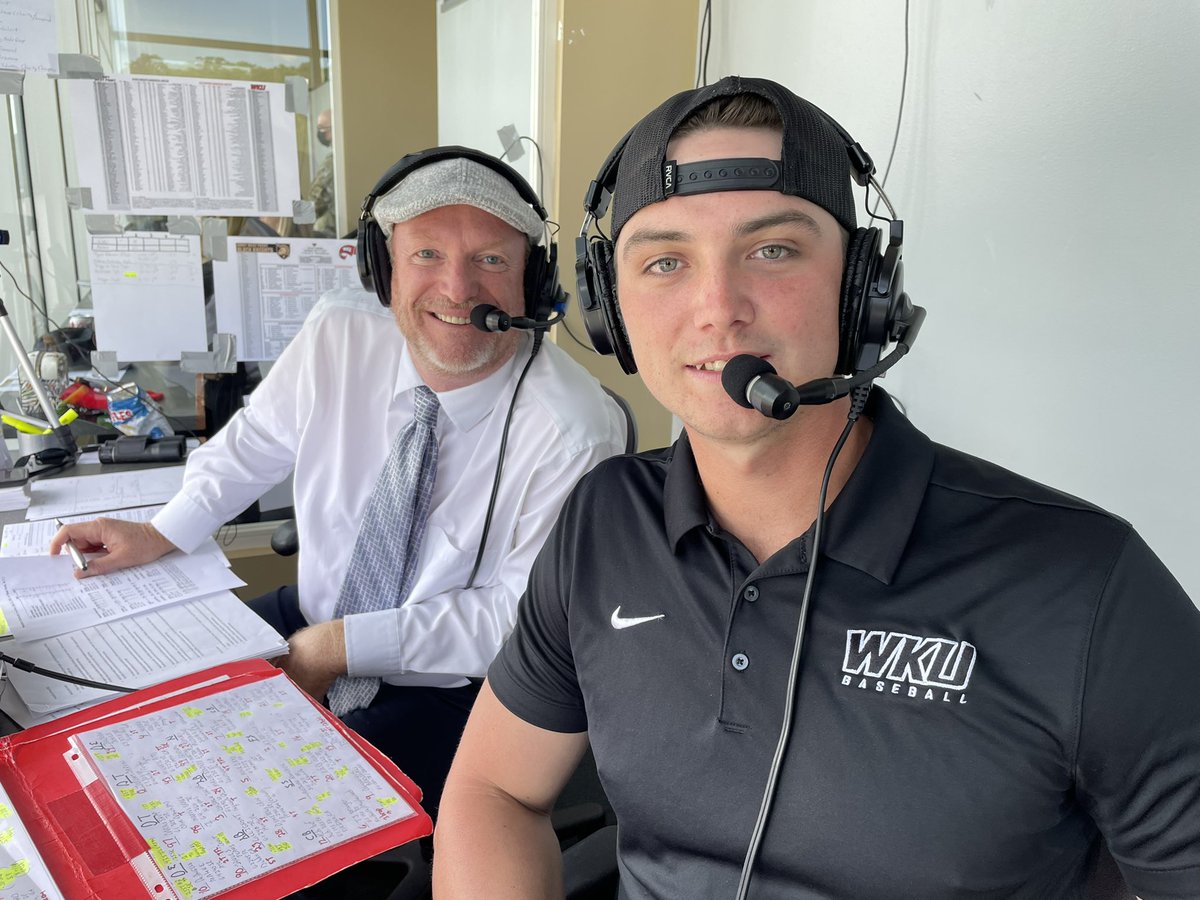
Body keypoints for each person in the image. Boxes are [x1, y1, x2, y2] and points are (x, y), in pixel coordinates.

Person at [433, 77, 1200, 898]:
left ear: (862, 291)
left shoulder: (1084, 584)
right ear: (609, 309)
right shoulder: (604, 520)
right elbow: (495, 791)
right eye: (664, 260)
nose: (717, 309)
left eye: (774, 250)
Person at [52, 148, 628, 820]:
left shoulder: (574, 430)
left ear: (532, 281)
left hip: (452, 684)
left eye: (491, 260)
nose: (456, 288)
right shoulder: (339, 332)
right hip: (315, 614)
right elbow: (258, 440)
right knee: (123, 710)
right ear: (381, 268)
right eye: (426, 255)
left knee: (255, 814)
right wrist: (162, 530)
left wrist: (341, 646)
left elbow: (518, 619)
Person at [310, 108, 336, 236]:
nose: (320, 133)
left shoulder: (332, 162)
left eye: (322, 128)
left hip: (333, 228)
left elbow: (316, 201)